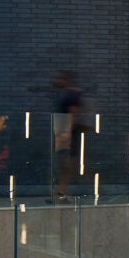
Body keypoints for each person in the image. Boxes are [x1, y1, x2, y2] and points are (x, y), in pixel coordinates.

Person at [51, 70, 88, 202]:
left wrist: (67, 133)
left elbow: (74, 113)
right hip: (64, 134)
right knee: (64, 164)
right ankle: (61, 192)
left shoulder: (71, 94)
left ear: (65, 79)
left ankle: (62, 192)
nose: (55, 80)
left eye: (59, 77)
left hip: (67, 135)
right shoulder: (66, 94)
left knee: (66, 163)